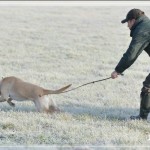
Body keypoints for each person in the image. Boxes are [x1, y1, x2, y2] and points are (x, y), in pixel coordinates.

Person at [111, 8, 150, 120]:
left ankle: (142, 117)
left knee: (148, 87)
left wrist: (118, 70)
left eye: (128, 22)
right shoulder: (146, 24)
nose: (128, 26)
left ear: (133, 20)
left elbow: (131, 54)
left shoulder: (142, 30)